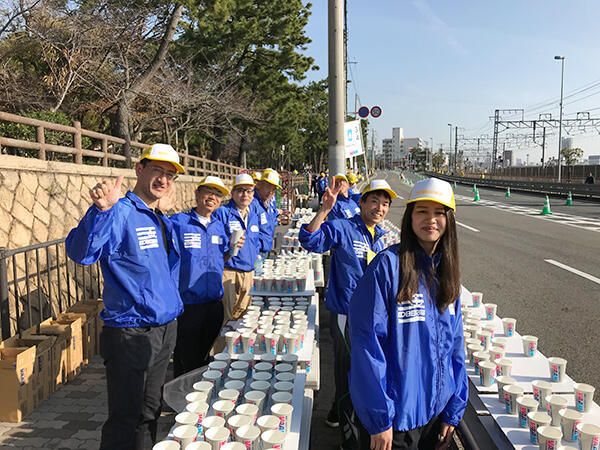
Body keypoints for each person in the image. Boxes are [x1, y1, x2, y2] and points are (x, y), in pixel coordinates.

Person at [65, 143, 185, 449]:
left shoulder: (159, 218)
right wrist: (101, 210)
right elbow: (81, 252)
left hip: (164, 330)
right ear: (139, 169)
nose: (163, 179)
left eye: (170, 174)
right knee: (125, 418)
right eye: (157, 170)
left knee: (149, 412)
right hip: (131, 333)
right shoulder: (118, 211)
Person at [348, 177, 467, 450]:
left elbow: (455, 347)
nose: (431, 220)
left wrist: (454, 408)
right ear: (410, 217)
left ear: (449, 220)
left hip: (437, 414)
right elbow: (367, 344)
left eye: (439, 212)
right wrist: (379, 420)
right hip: (397, 420)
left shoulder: (447, 274)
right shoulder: (387, 267)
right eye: (422, 211)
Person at [299, 178, 397, 450]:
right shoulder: (344, 227)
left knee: (365, 373)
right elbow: (309, 239)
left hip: (372, 320)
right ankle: (348, 439)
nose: (380, 208)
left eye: (385, 204)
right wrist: (324, 210)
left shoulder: (382, 237)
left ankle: (337, 416)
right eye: (374, 201)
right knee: (348, 378)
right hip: (346, 317)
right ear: (361, 201)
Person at [170, 176, 244, 376]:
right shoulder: (178, 223)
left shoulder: (219, 226)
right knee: (186, 355)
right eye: (208, 192)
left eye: (218, 194)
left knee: (204, 355)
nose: (212, 197)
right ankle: (183, 397)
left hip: (213, 303)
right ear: (197, 194)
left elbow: (221, 258)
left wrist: (232, 249)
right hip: (187, 304)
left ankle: (192, 394)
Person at [213, 173, 261, 323]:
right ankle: (220, 347)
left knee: (242, 317)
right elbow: (213, 241)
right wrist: (228, 243)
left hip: (249, 272)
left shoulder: (253, 214)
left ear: (253, 194)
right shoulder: (222, 213)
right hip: (229, 271)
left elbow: (255, 241)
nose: (245, 195)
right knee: (225, 318)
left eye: (249, 191)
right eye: (240, 191)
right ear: (232, 193)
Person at [252, 168, 282, 256]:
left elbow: (269, 219)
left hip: (266, 247)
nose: (271, 192)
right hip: (257, 252)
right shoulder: (253, 203)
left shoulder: (267, 201)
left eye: (274, 189)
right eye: (268, 187)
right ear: (259, 185)